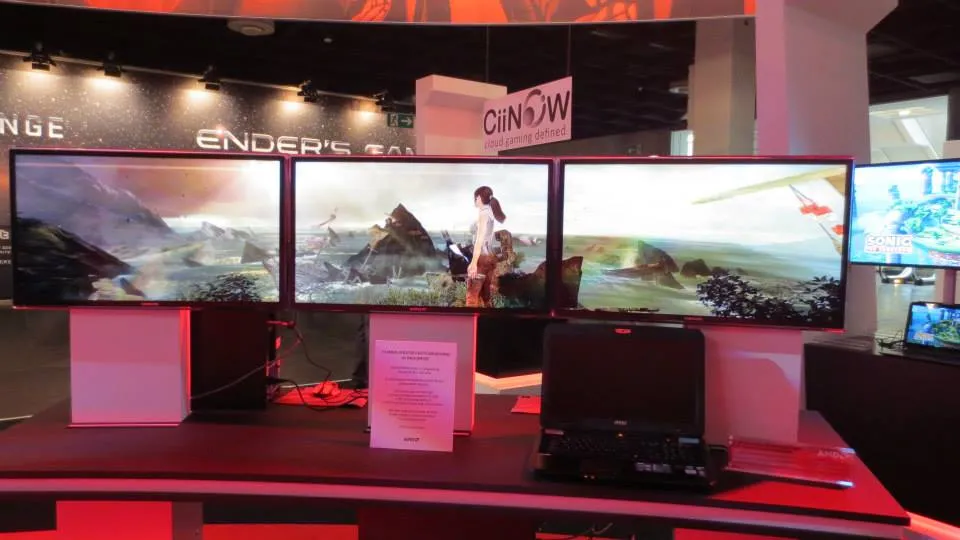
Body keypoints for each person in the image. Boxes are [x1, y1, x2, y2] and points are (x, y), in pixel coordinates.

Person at [466, 186, 506, 307]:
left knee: (472, 297)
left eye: (475, 197)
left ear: (479, 197)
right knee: (486, 296)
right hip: (490, 258)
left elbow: (479, 240)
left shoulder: (483, 214)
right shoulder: (490, 212)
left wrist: (473, 263)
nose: (474, 200)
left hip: (482, 258)